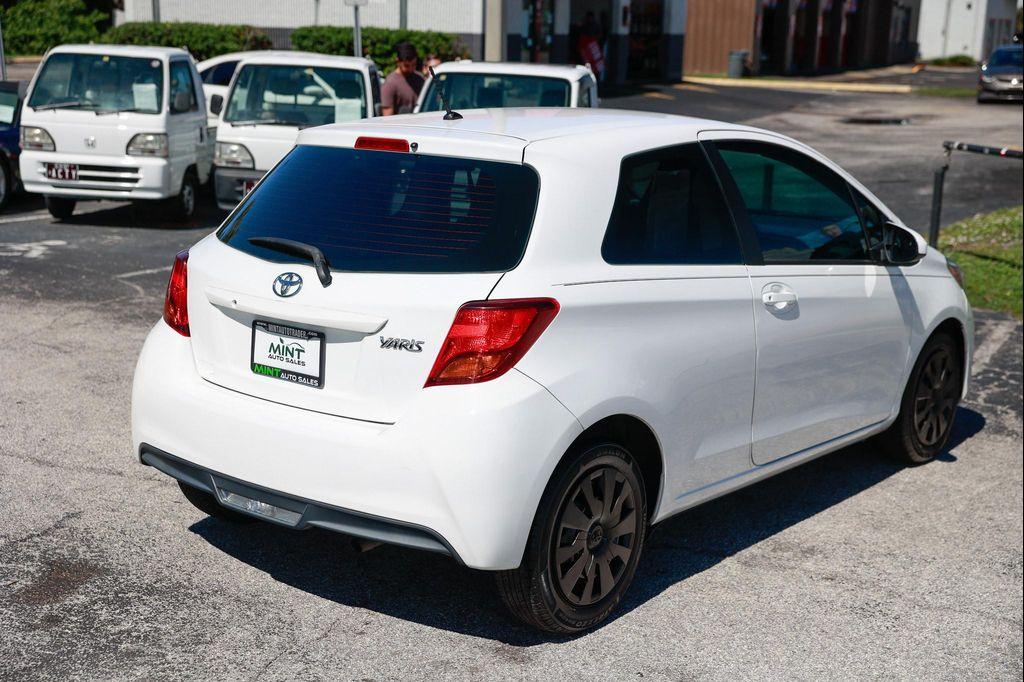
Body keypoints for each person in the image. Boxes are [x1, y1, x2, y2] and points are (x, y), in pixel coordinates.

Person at [381, 42, 425, 115]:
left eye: (414, 65)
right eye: (406, 66)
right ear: (398, 61)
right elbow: (387, 117)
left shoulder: (420, 79)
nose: (411, 69)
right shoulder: (390, 83)